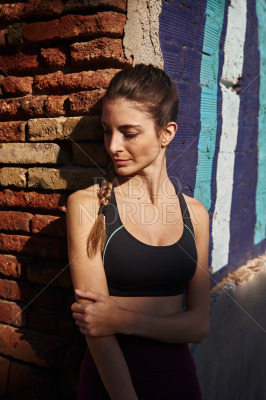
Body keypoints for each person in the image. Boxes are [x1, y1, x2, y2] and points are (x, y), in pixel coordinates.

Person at [66, 64, 210, 400]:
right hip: (112, 382)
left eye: (128, 133)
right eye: (106, 131)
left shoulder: (196, 215)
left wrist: (120, 318)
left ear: (166, 133)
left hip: (179, 379)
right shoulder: (88, 205)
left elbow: (199, 325)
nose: (113, 145)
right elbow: (95, 328)